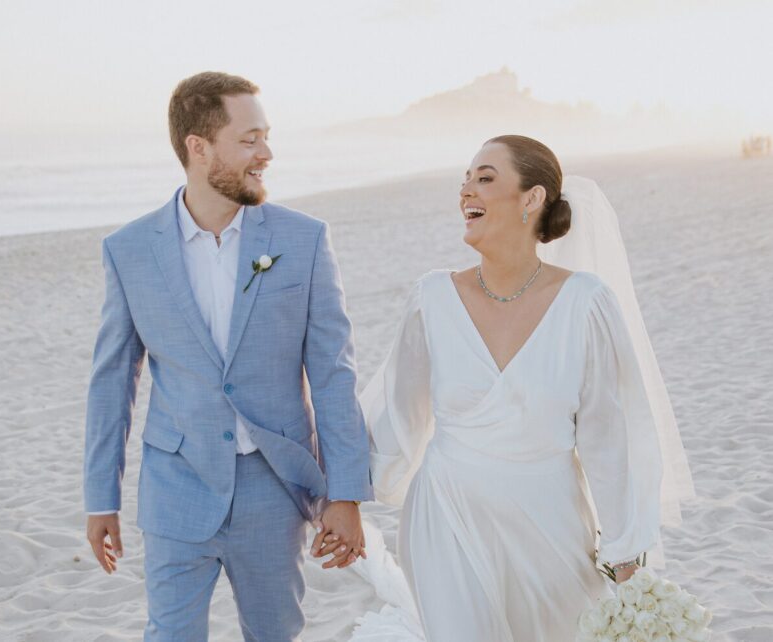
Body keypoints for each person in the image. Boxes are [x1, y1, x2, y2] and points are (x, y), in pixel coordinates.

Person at [349, 135, 694, 641]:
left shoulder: (586, 303)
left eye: (485, 178)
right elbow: (399, 422)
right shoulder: (432, 298)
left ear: (532, 198)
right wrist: (343, 496)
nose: (467, 190)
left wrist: (625, 558)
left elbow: (610, 439)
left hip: (551, 528)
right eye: (465, 180)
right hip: (446, 518)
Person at [83, 71, 373, 642]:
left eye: (266, 137)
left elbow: (333, 374)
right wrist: (101, 499)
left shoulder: (304, 240)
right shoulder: (129, 250)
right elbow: (112, 382)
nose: (267, 153)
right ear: (198, 147)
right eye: (249, 139)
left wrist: (346, 494)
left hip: (275, 487)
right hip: (175, 485)